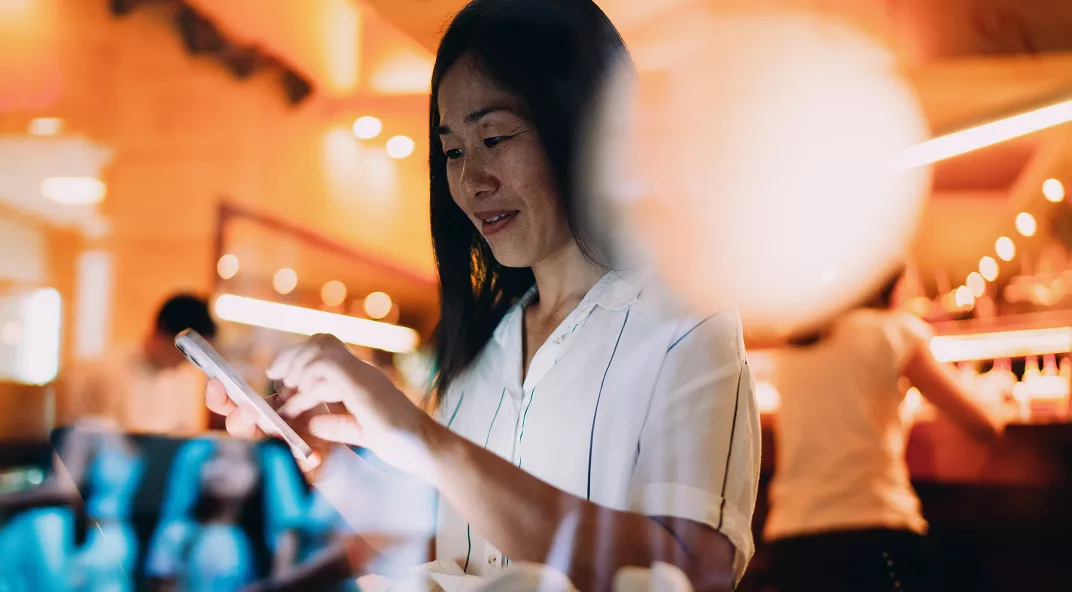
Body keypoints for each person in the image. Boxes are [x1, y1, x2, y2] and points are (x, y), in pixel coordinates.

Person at [208, 1, 760, 591]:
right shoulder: (485, 351)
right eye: (452, 151)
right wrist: (329, 460)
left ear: (587, 128)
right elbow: (452, 548)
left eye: (493, 137)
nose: (472, 181)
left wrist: (423, 439)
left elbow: (695, 571)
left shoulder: (684, 325)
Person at [764, 269, 1004, 592]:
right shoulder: (892, 332)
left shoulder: (796, 344)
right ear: (893, 283)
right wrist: (998, 391)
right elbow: (983, 424)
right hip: (876, 538)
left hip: (791, 544)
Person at [57, 293, 217, 436]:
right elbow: (96, 441)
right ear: (163, 335)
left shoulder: (185, 379)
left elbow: (185, 433)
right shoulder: (105, 371)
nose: (188, 363)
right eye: (186, 354)